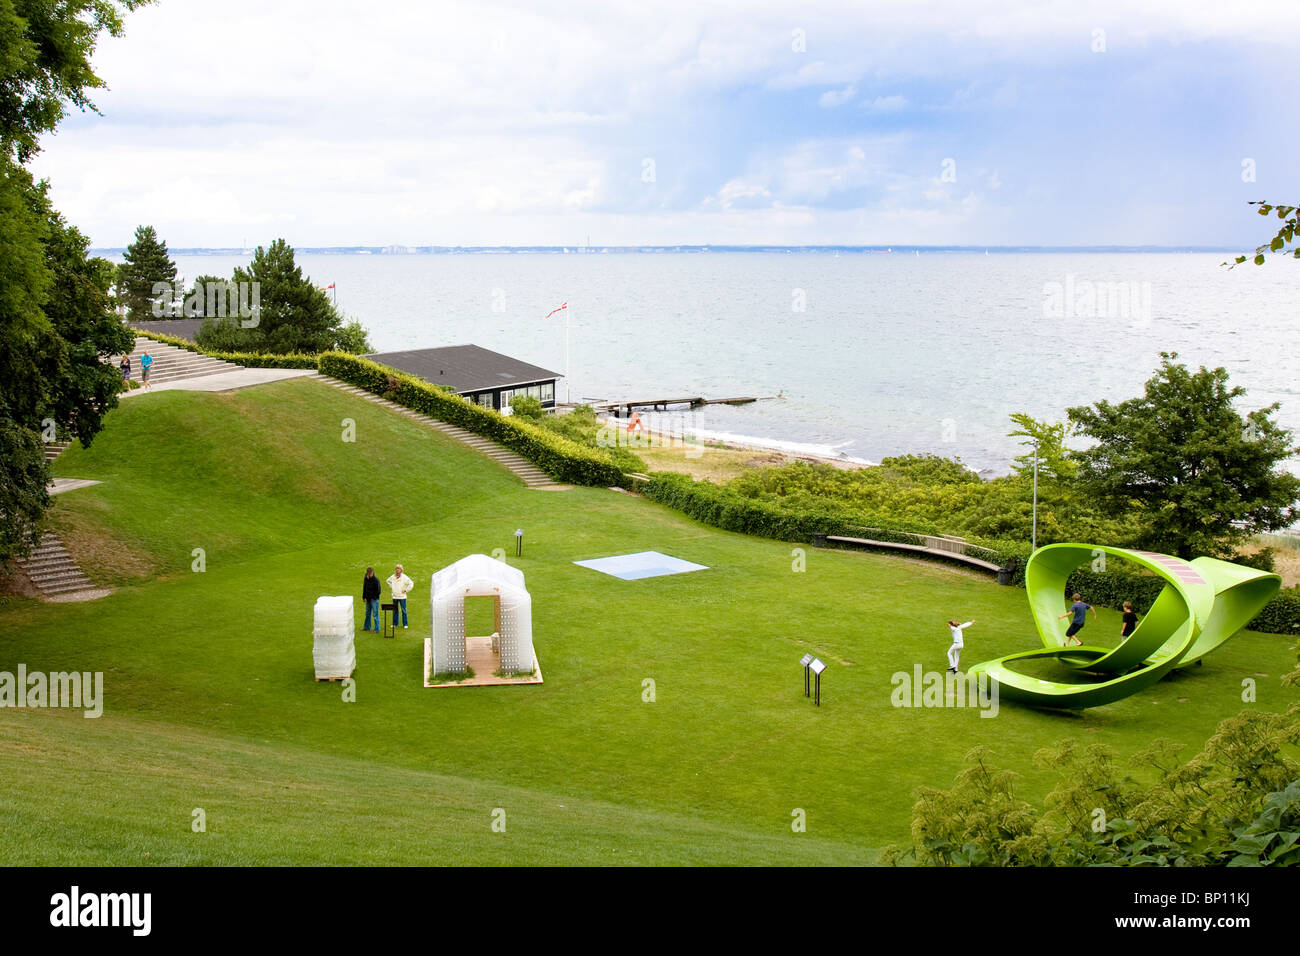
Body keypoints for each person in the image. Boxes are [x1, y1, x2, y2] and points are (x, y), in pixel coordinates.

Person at [387, 563, 414, 629]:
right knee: (395, 610)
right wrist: (392, 587)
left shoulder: (404, 577)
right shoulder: (392, 577)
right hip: (395, 596)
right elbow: (387, 581)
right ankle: (395, 624)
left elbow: (411, 583)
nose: (397, 570)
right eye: (396, 569)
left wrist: (406, 590)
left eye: (398, 569)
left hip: (402, 597)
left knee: (403, 610)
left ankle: (405, 624)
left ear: (401, 570)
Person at [362, 566, 381, 633]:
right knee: (367, 614)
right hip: (368, 599)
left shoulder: (376, 580)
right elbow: (364, 587)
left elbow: (378, 591)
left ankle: (377, 629)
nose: (370, 575)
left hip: (374, 600)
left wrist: (373, 597)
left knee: (375, 615)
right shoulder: (366, 579)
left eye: (371, 574)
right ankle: (367, 627)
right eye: (368, 574)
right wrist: (363, 597)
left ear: (372, 572)